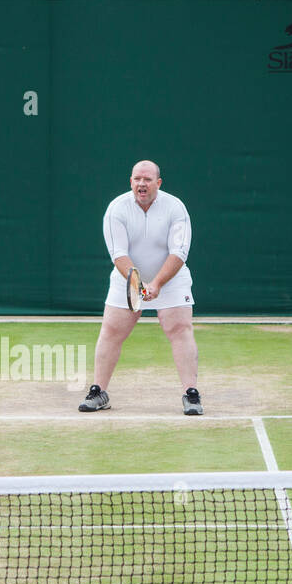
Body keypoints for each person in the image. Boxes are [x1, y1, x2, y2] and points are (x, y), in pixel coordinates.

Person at [79, 160, 203, 415]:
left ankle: (191, 394)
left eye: (147, 180)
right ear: (131, 182)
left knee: (179, 328)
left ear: (158, 183)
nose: (141, 184)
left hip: (172, 278)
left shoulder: (175, 207)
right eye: (137, 179)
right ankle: (98, 391)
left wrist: (156, 283)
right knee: (111, 330)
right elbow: (118, 253)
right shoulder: (116, 208)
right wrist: (138, 284)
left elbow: (179, 251)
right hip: (127, 279)